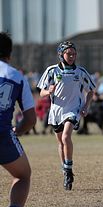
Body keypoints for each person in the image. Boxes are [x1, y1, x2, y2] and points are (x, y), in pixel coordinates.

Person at [37, 41, 95, 190]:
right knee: (61, 143)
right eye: (68, 54)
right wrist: (48, 91)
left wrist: (86, 106)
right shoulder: (52, 71)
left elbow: (91, 90)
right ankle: (65, 171)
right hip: (56, 111)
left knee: (65, 137)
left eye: (74, 54)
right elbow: (41, 92)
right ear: (61, 55)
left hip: (73, 109)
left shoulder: (80, 72)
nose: (71, 56)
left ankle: (69, 170)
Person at [0, 32, 36, 207]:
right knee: (23, 175)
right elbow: (30, 119)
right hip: (2, 136)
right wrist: (17, 131)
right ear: (9, 54)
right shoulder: (15, 75)